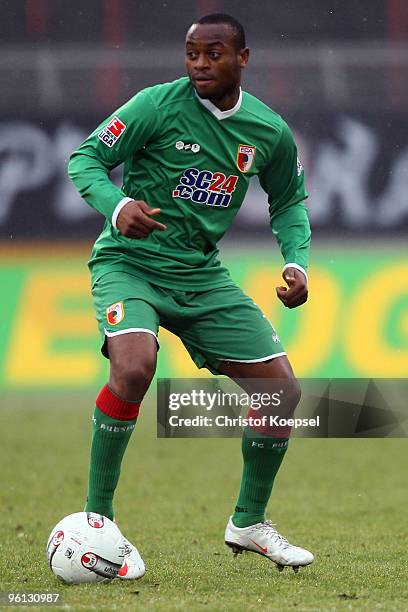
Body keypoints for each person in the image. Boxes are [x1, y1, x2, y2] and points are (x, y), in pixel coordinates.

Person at [68, 12, 313, 579]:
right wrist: (118, 206)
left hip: (200, 275)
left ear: (242, 59)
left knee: (281, 390)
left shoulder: (267, 131)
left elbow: (289, 201)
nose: (200, 64)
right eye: (192, 54)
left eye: (214, 53)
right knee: (134, 368)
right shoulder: (157, 104)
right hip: (129, 264)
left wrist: (296, 261)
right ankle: (96, 524)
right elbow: (85, 158)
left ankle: (249, 523)